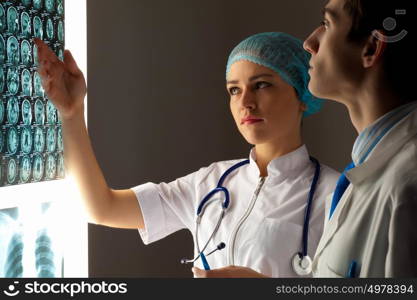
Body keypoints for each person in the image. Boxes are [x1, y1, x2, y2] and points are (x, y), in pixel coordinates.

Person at [34, 32, 339, 278]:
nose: (246, 102)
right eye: (234, 90)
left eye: (261, 85)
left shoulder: (336, 195)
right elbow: (101, 208)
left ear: (302, 94)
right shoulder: (211, 181)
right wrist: (72, 114)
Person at [303, 0, 416, 277]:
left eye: (327, 24)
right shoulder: (365, 172)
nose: (309, 43)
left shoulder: (407, 186)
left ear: (371, 48)